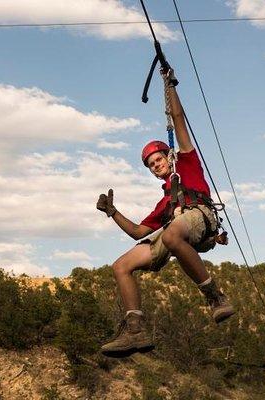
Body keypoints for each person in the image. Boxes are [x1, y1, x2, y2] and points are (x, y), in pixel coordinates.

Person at [96, 69, 234, 358]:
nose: (156, 165)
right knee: (121, 265)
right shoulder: (164, 203)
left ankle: (215, 296)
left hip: (199, 217)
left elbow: (179, 120)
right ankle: (135, 329)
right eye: (151, 164)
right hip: (177, 228)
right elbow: (139, 233)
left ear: (169, 156)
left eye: (159, 159)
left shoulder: (187, 164)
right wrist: (113, 212)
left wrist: (169, 85)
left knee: (172, 235)